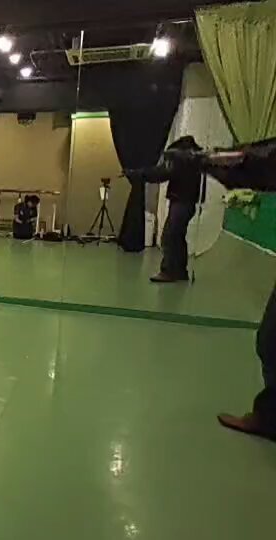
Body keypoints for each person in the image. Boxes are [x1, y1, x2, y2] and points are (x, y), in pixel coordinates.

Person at [153, 138, 276, 442]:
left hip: (184, 202)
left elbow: (259, 164)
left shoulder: (188, 168)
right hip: (186, 195)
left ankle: (270, 419)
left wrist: (205, 161)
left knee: (270, 342)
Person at [132, 136, 203, 283]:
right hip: (187, 203)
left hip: (181, 203)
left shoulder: (181, 160)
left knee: (169, 237)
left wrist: (137, 174)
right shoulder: (193, 160)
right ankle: (180, 271)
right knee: (178, 237)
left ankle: (169, 272)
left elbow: (160, 173)